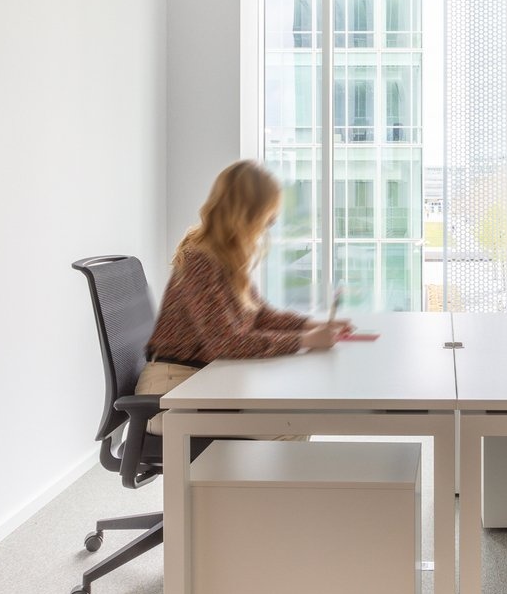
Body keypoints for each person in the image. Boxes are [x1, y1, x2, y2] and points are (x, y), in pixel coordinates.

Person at [137, 160, 350, 437]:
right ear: (246, 212)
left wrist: (313, 326)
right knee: (291, 426)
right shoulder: (201, 259)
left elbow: (259, 314)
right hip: (171, 393)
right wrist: (305, 340)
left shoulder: (224, 255)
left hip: (200, 379)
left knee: (294, 416)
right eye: (268, 213)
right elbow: (227, 343)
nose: (272, 222)